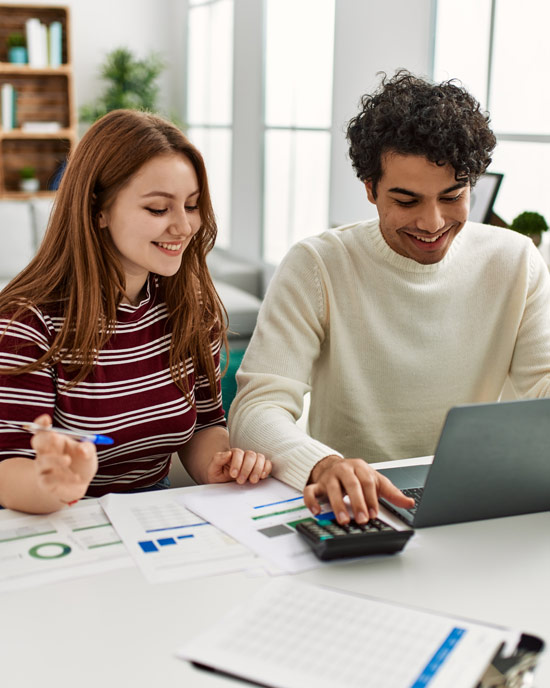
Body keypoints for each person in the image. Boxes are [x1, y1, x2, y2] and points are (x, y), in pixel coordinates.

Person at [228, 70, 550, 527]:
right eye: (406, 200)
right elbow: (255, 411)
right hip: (355, 506)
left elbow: (543, 390)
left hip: (476, 502)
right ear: (369, 188)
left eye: (452, 196)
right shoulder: (317, 265)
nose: (433, 222)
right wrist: (323, 464)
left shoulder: (516, 260)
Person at [0, 109, 271, 514]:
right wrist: (55, 484)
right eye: (159, 210)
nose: (183, 227)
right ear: (99, 210)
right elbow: (9, 470)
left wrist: (219, 464)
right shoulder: (27, 324)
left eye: (192, 205)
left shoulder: (192, 311)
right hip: (53, 523)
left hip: (152, 519)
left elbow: (203, 426)